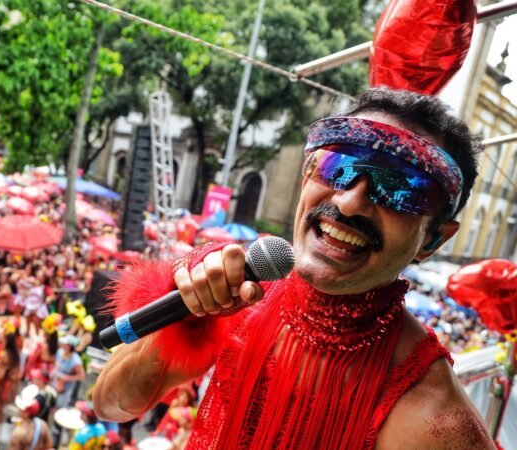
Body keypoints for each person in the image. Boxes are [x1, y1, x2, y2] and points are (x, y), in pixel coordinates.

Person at [93, 88, 496, 449]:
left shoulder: (434, 419)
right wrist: (185, 324)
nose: (348, 203)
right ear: (307, 176)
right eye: (339, 166)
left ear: (433, 240)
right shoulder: (244, 295)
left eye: (400, 189)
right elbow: (111, 405)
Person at [53, 335, 84, 408]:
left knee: (61, 405)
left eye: (65, 344)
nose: (62, 344)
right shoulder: (59, 351)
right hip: (55, 382)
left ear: (69, 346)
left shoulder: (76, 361)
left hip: (66, 388)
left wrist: (65, 378)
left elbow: (81, 376)